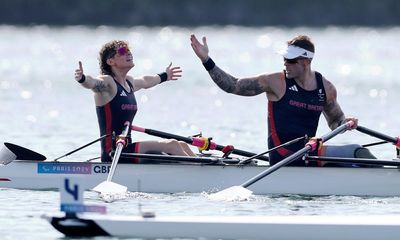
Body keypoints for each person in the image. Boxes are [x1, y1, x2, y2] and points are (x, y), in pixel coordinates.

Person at [190, 34, 374, 166]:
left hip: (309, 153)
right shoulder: (275, 82)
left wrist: (346, 122)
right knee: (357, 152)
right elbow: (233, 85)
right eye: (284, 59)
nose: (285, 63)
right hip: (283, 155)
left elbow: (335, 122)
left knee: (355, 161)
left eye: (290, 60)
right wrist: (206, 60)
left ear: (306, 62)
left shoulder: (326, 88)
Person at [74, 40, 196, 163]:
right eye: (122, 51)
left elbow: (147, 81)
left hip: (126, 149)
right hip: (113, 153)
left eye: (128, 50)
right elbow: (93, 83)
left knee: (182, 145)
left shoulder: (129, 83)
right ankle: (196, 175)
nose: (128, 53)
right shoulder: (108, 83)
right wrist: (82, 78)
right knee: (172, 144)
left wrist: (165, 76)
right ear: (111, 61)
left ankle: (201, 169)